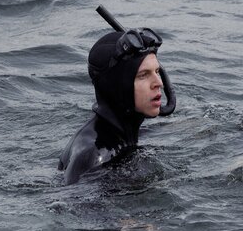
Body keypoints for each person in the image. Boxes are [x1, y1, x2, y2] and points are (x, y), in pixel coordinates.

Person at [58, 27, 174, 184]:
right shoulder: (94, 157)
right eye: (143, 75)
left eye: (157, 71)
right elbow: (70, 197)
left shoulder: (122, 132)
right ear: (118, 87)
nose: (158, 83)